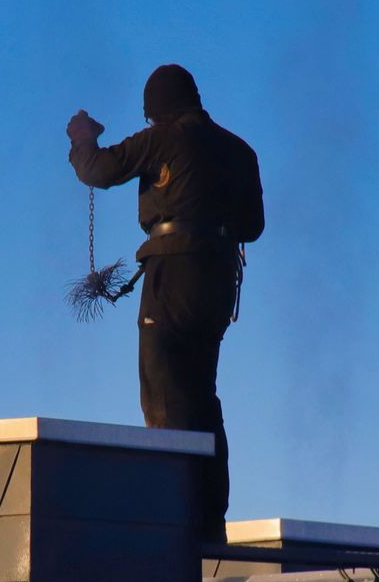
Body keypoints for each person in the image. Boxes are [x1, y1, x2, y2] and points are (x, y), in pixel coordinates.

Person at [67, 64, 264, 541]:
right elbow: (253, 227)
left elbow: (99, 169)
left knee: (163, 392)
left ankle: (174, 519)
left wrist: (80, 138)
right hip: (218, 283)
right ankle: (211, 518)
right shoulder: (241, 151)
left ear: (158, 108)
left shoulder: (163, 138)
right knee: (201, 395)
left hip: (171, 276)